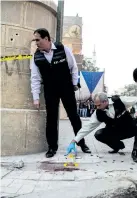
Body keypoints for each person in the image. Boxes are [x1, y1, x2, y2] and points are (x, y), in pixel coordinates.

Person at [31, 28, 91, 158]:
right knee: (51, 118)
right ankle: (52, 147)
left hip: (66, 87)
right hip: (50, 89)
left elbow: (73, 67)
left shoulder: (63, 49)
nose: (36, 43)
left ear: (46, 39)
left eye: (38, 39)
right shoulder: (36, 56)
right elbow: (35, 78)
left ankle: (82, 143)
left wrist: (74, 83)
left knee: (74, 116)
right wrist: (36, 98)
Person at [66, 92, 137, 163]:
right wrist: (74, 141)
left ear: (105, 101)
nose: (97, 107)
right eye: (96, 105)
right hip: (116, 131)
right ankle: (117, 146)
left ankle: (135, 150)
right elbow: (87, 127)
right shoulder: (98, 113)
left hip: (130, 128)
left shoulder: (119, 100)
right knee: (98, 134)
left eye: (99, 105)